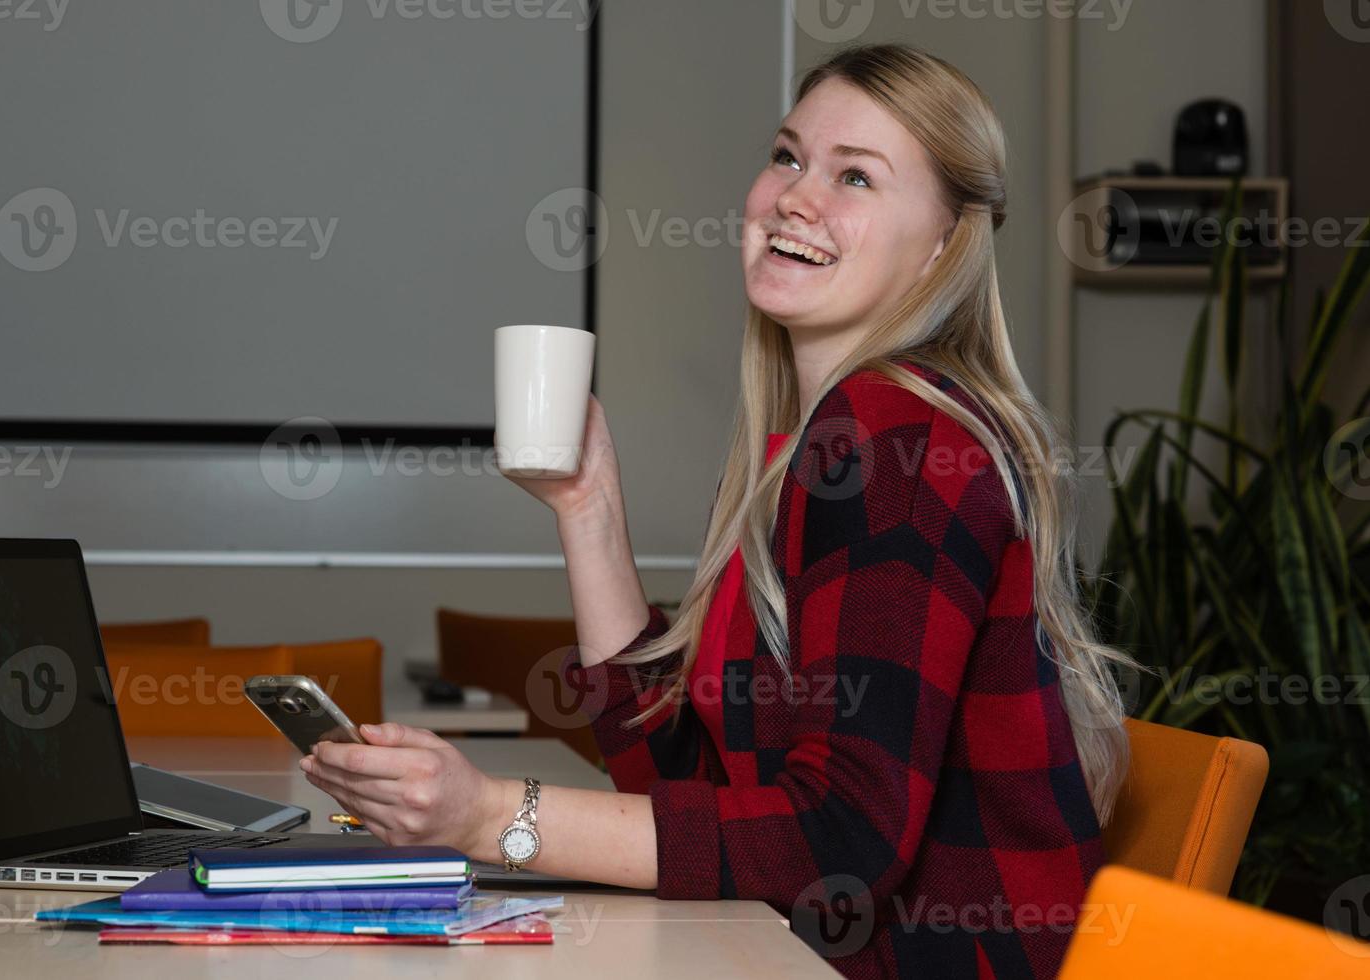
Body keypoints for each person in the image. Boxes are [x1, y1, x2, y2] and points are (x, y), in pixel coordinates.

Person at [301, 43, 1135, 979]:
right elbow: (693, 788)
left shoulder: (896, 444)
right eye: (787, 156)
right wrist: (588, 508)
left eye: (855, 176)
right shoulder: (812, 446)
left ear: (944, 243)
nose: (795, 197)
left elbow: (841, 846)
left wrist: (493, 817)